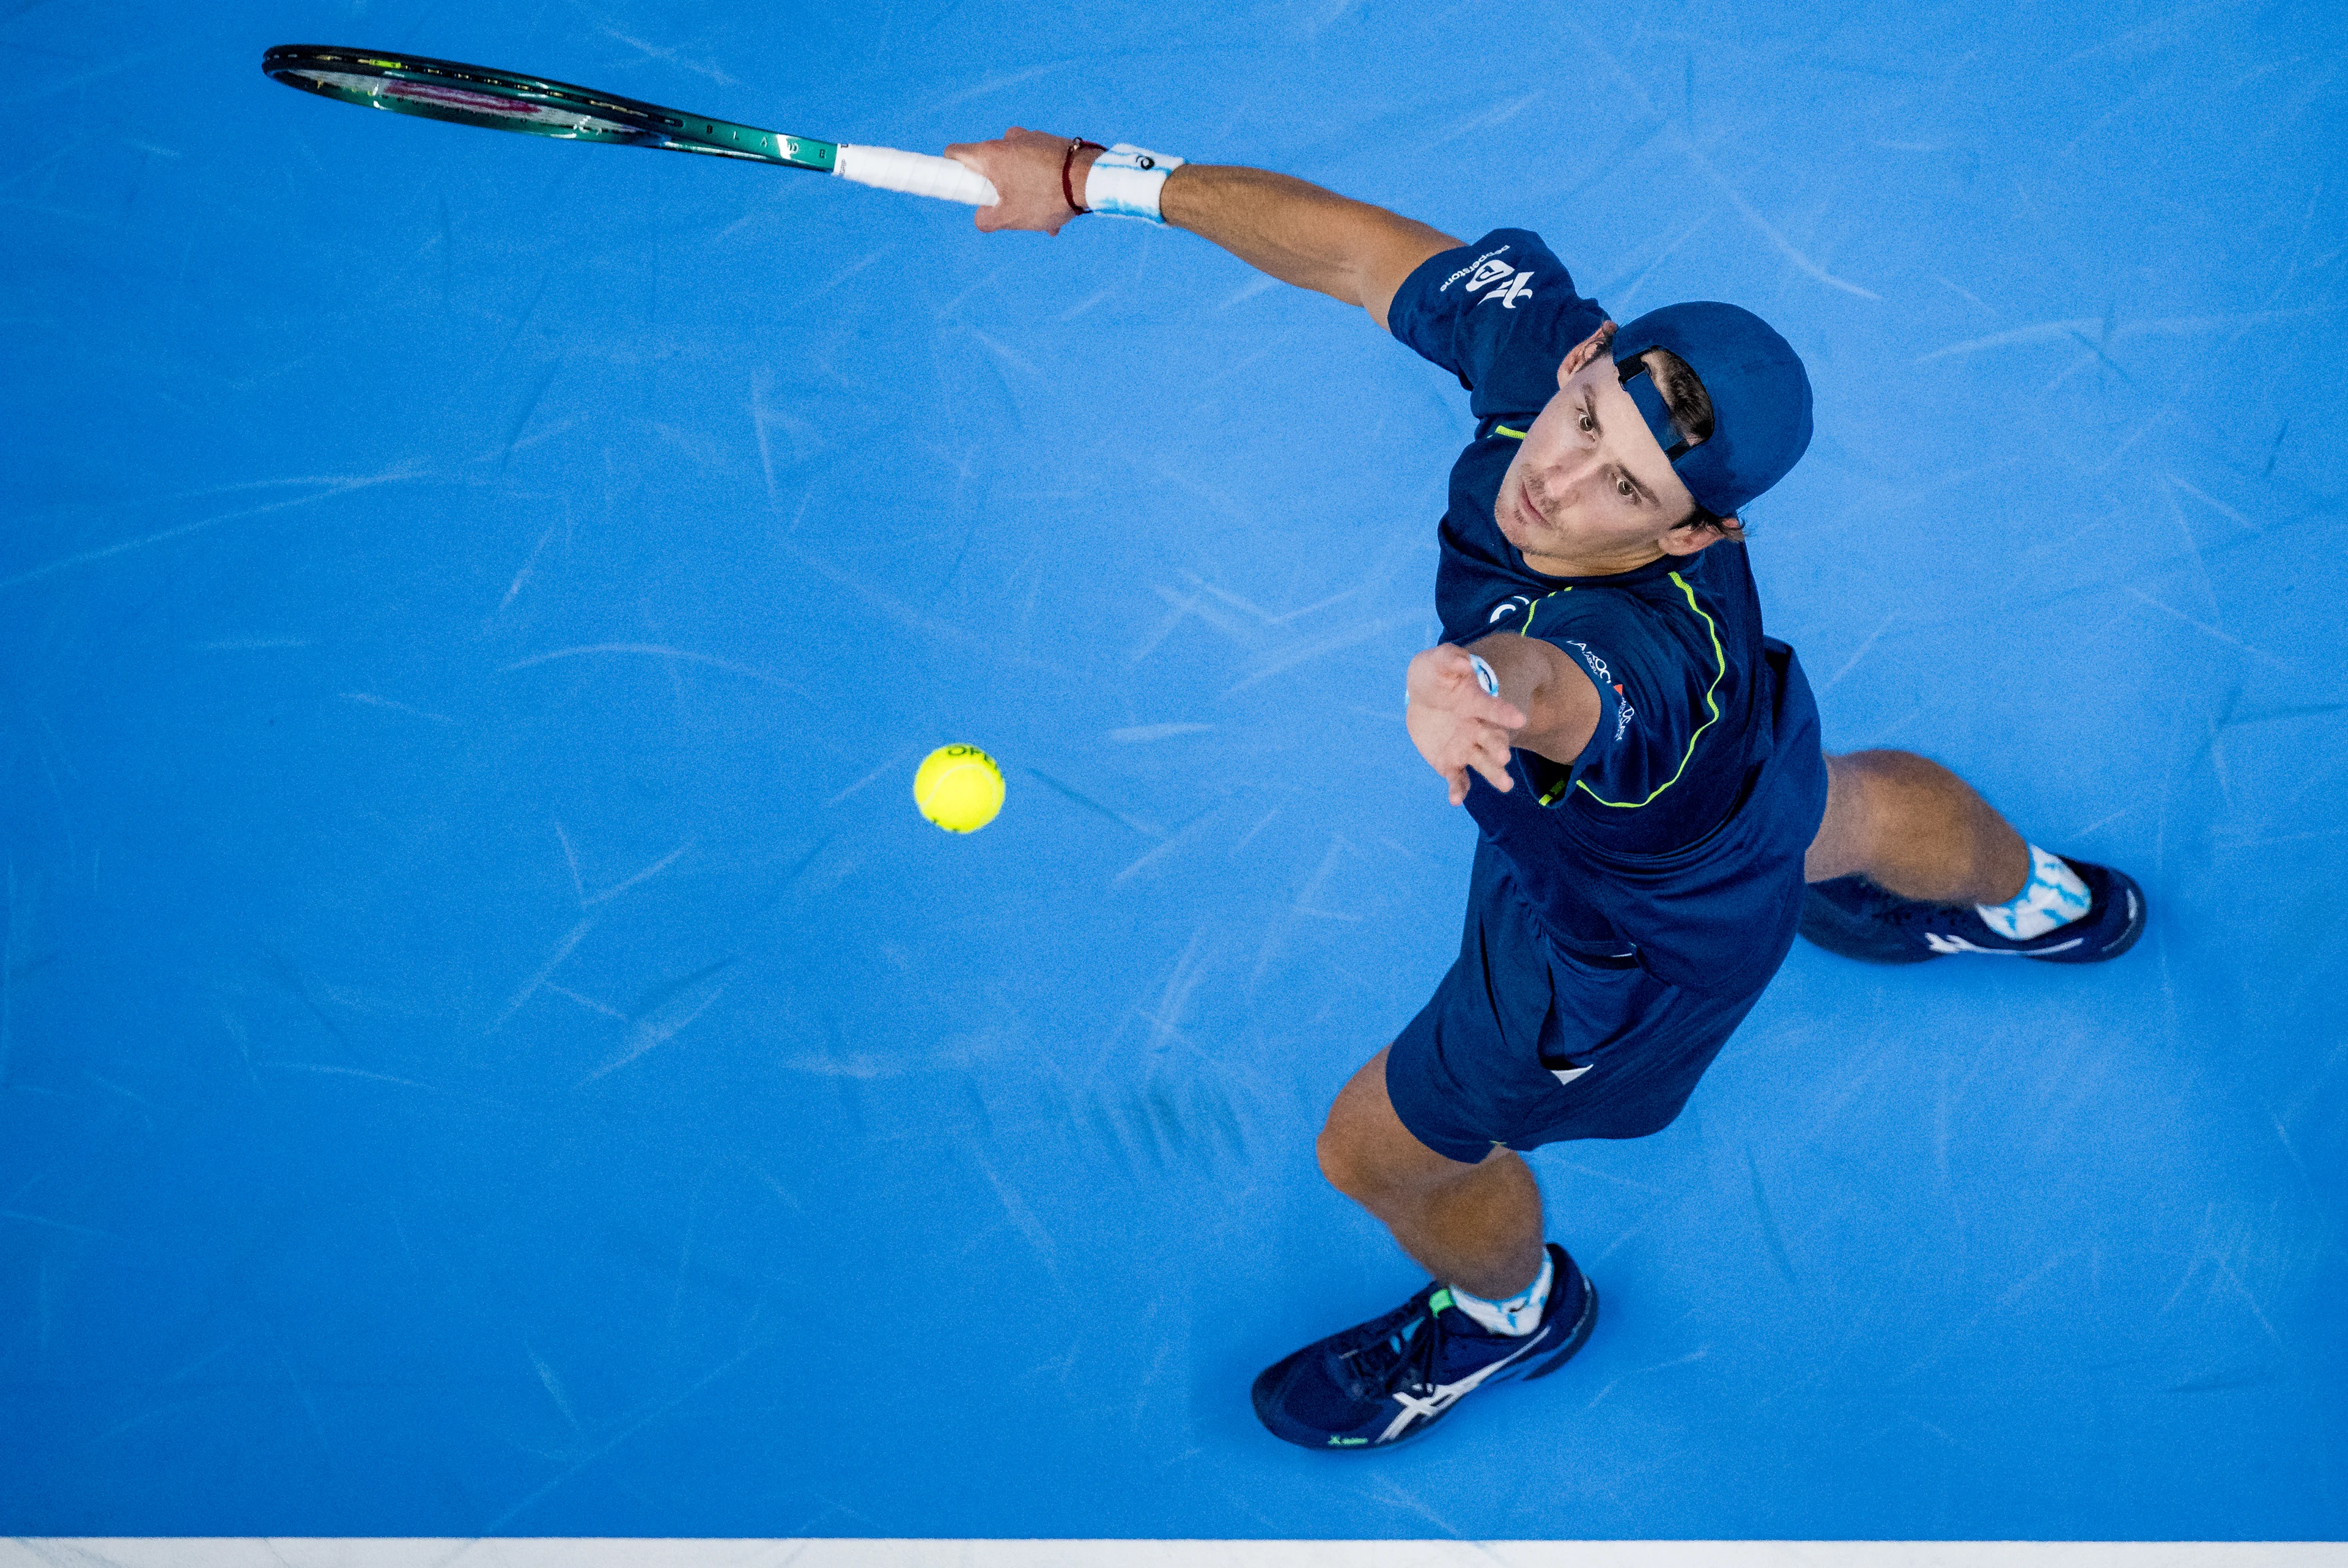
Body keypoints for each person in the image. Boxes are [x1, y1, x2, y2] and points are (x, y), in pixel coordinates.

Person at [941, 130, 2148, 1450]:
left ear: (1696, 534)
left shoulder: (1645, 660)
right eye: (1585, 420)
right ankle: (2050, 903)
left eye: (1625, 487)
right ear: (1584, 355)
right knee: (1838, 814)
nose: (1556, 482)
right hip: (1753, 773)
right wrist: (1090, 177)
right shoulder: (1546, 361)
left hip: (1626, 939)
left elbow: (1561, 682)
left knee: (1377, 1150)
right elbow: (1358, 252)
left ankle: (1508, 1317)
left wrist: (1472, 686)